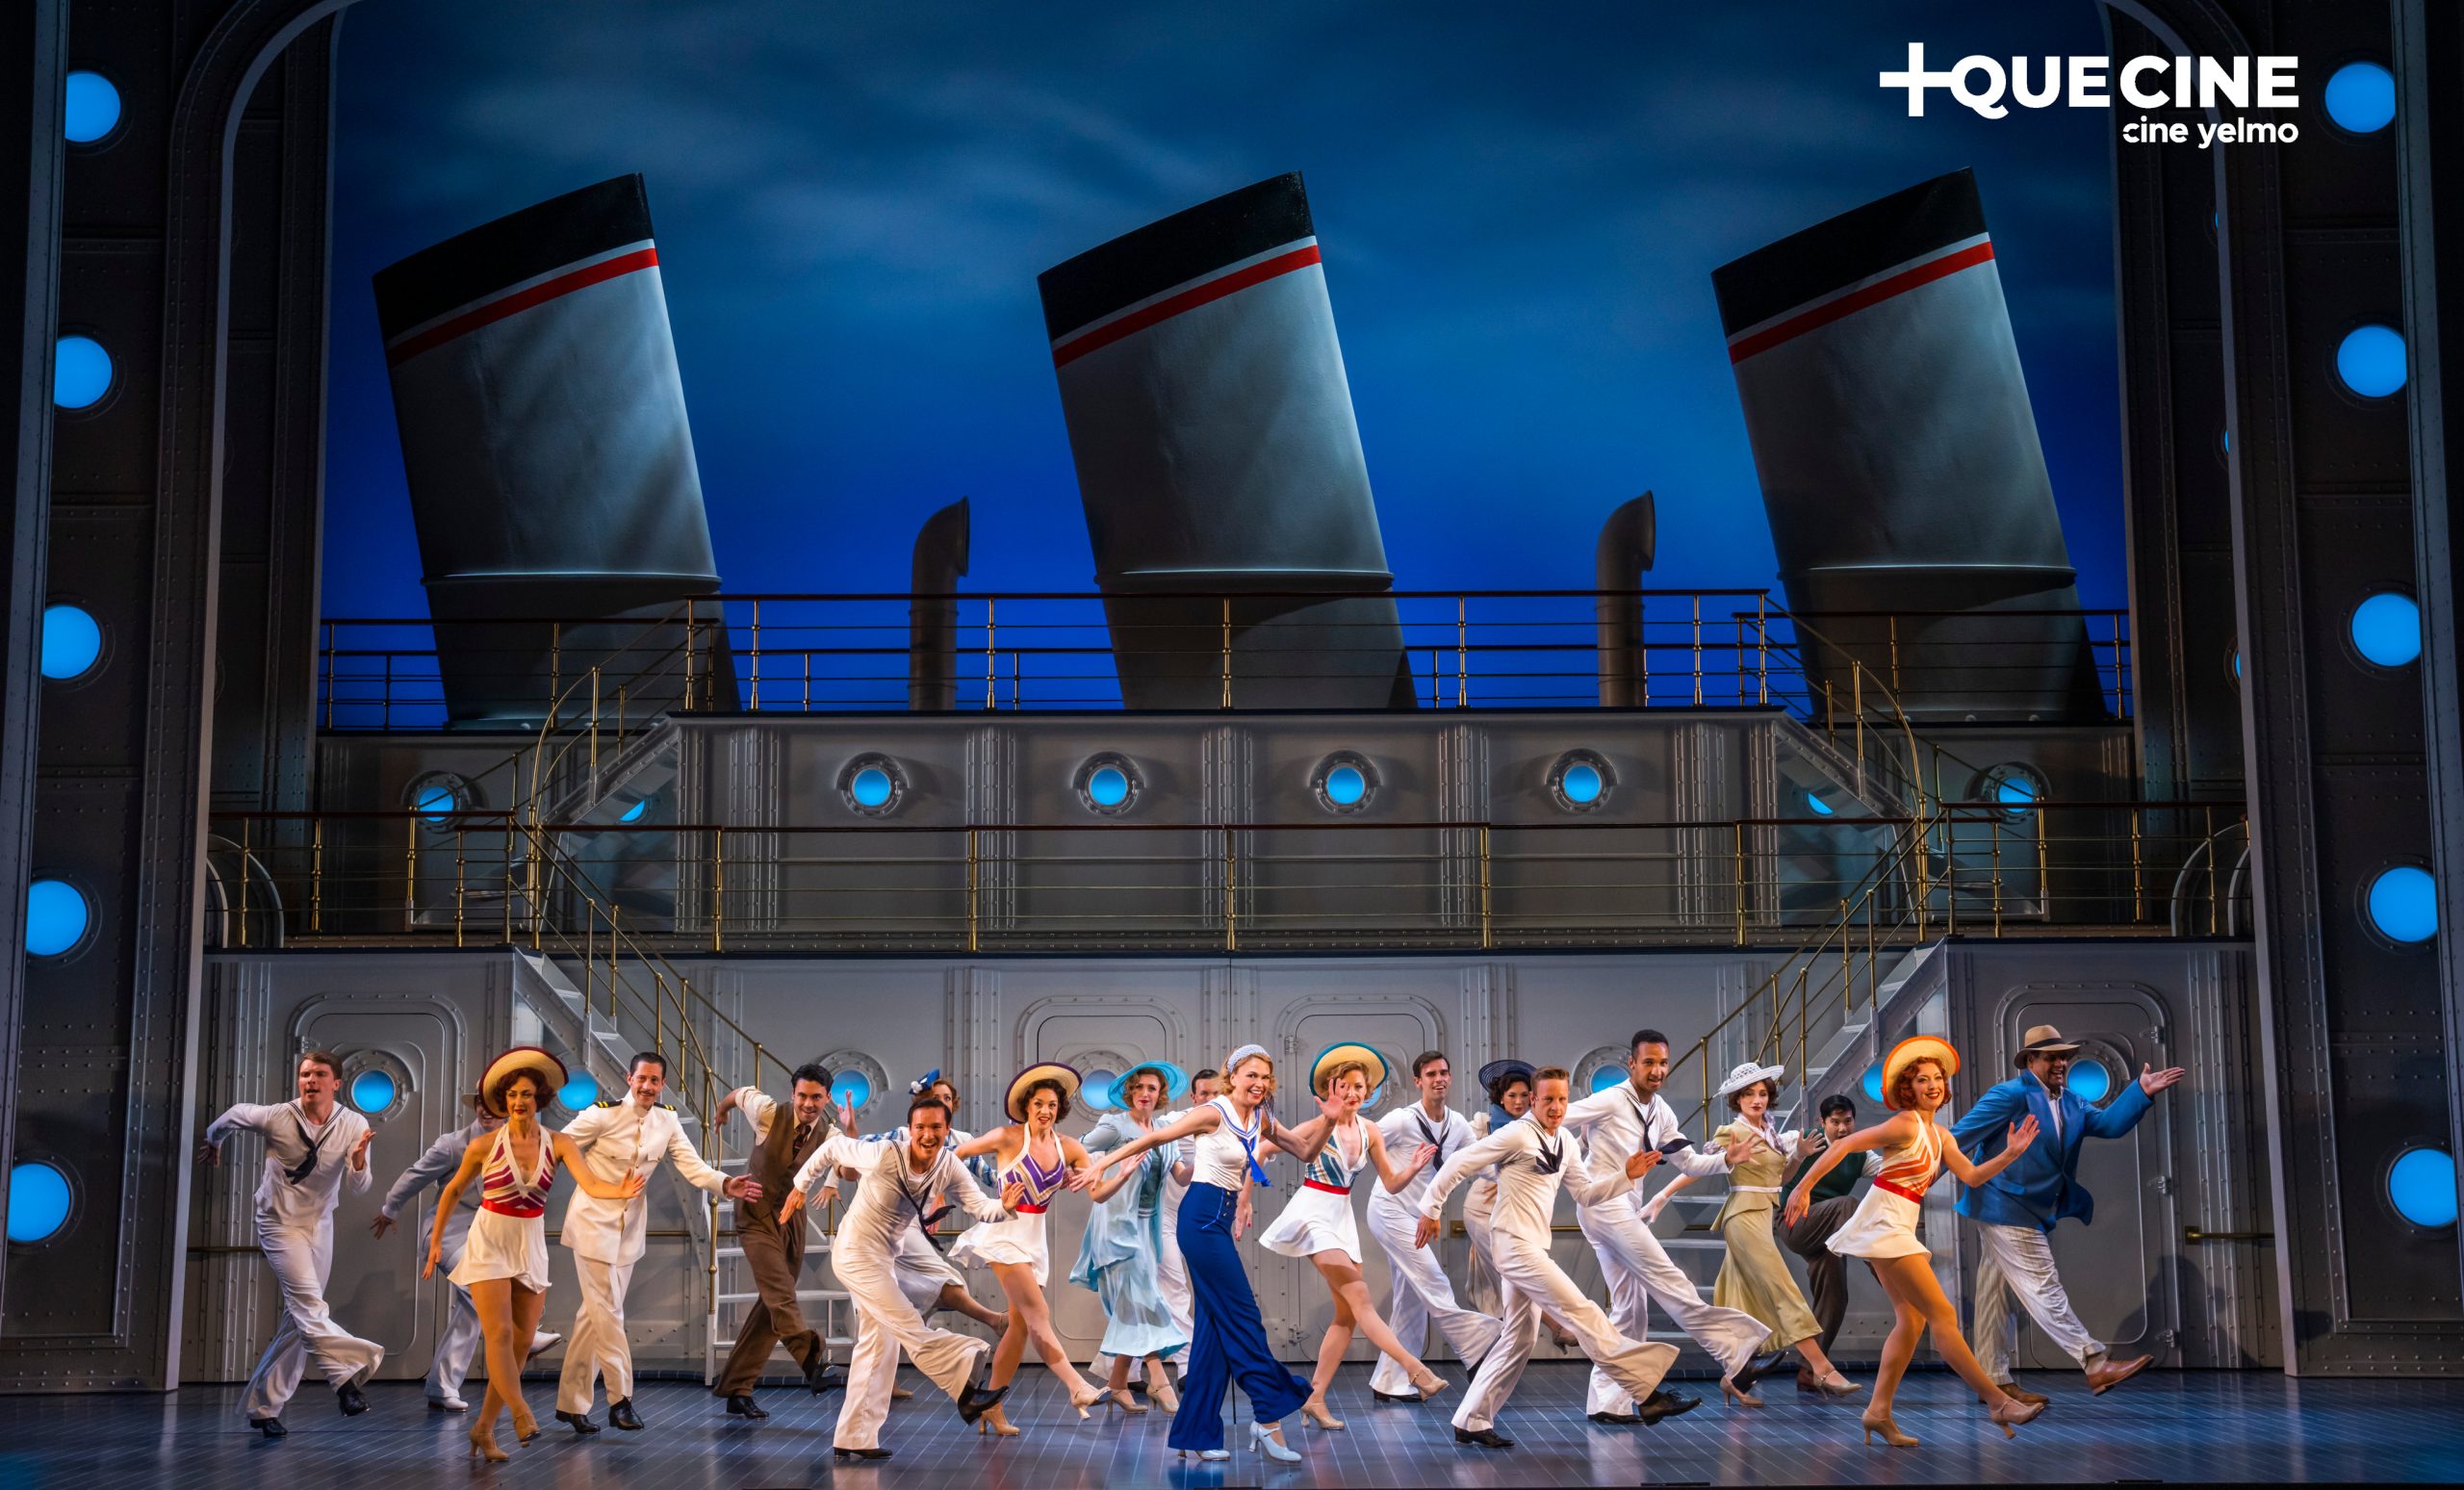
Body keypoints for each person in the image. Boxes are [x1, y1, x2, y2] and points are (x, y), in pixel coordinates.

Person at [1080, 1043, 1344, 1464]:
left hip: (1219, 1219)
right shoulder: (1213, 1112)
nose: (1259, 1083)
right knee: (1244, 1317)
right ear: (1232, 1077)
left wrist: (1329, 1120)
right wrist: (1101, 1163)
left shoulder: (1261, 1117)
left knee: (1213, 1333)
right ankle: (1269, 1416)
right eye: (1251, 1075)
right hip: (1200, 1219)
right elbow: (1156, 1137)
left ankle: (1195, 1432)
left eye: (1265, 1077)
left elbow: (1306, 1152)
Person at [1784, 1036, 2045, 1451]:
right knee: (1942, 1314)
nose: (1932, 1085)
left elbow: (1972, 1176)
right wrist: (1803, 1187)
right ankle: (1998, 1402)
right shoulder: (1905, 1124)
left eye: (1937, 1078)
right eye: (1922, 1079)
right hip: (1885, 1222)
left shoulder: (1940, 1135)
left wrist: (2011, 1153)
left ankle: (1878, 1412)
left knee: (1913, 1320)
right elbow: (1846, 1144)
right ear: (1909, 1088)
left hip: (1898, 1223)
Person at [1413, 1066, 1681, 1451]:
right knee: (1582, 1311)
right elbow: (1459, 1164)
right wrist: (1431, 1209)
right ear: (1534, 1101)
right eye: (1548, 1099)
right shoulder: (1517, 1133)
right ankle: (1647, 1392)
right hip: (1513, 1244)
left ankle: (1471, 1420)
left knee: (1518, 1338)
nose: (1556, 1107)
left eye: (1562, 1100)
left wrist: (1625, 1176)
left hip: (1533, 1246)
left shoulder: (1567, 1142)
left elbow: (1586, 1194)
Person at [424, 1048, 645, 1462]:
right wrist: (436, 1242)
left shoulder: (559, 1143)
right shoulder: (484, 1145)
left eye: (526, 1094)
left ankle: (483, 1429)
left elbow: (591, 1183)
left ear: (538, 1098)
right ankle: (521, 1412)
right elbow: (452, 1191)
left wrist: (619, 1191)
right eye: (511, 1095)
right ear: (503, 1100)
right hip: (490, 1239)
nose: (518, 1101)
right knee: (499, 1335)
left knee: (523, 1342)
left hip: (530, 1242)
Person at [784, 1090, 1022, 1461]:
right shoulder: (884, 1153)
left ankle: (855, 1437)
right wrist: (801, 1186)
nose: (928, 1135)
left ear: (947, 1130)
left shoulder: (948, 1165)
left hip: (886, 1259)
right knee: (908, 1325)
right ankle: (964, 1389)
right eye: (920, 1128)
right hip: (855, 1253)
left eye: (936, 1128)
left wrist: (1003, 1206)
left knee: (879, 1345)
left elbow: (979, 1206)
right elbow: (832, 1149)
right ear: (910, 1130)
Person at [1953, 1025, 2181, 1402]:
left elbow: (2108, 1125)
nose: (2061, 1063)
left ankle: (1993, 1381)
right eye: (2051, 1057)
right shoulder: (2009, 1096)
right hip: (2004, 1204)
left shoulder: (2072, 1101)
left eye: (2064, 1057)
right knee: (2043, 1284)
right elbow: (1956, 1139)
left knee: (1998, 1292)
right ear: (2030, 1061)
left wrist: (2139, 1091)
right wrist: (1915, 1182)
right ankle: (2094, 1361)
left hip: (2033, 1207)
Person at [1561, 1029, 1779, 1416]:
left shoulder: (1660, 1111)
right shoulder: (1610, 1100)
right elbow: (1556, 1119)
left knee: (1630, 1311)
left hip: (1623, 1208)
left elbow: (1689, 1162)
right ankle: (1737, 1356)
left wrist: (1727, 1159)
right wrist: (1572, 1161)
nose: (1657, 1070)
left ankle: (1608, 1402)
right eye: (1649, 1062)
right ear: (1632, 1064)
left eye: (1662, 1063)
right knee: (1670, 1280)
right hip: (1604, 1205)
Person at [554, 1050, 767, 1433]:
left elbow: (691, 1165)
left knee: (594, 1315)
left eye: (655, 1080)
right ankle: (620, 1400)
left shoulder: (667, 1120)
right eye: (642, 1079)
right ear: (629, 1079)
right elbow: (558, 1146)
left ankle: (571, 1404)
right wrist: (590, 1181)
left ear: (663, 1084)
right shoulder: (600, 1115)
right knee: (609, 1312)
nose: (647, 1086)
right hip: (591, 1224)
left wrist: (725, 1184)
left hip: (628, 1232)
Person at [1255, 1044, 1450, 1429]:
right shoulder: (1318, 1125)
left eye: (1359, 1086)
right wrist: (1245, 1195)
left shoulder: (1370, 1130)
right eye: (1344, 1086)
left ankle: (1314, 1398)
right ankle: (1415, 1369)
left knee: (1346, 1315)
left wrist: (1412, 1168)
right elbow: (1264, 1145)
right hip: (1312, 1212)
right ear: (1331, 1088)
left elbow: (1391, 1183)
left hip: (1341, 1215)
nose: (1352, 1092)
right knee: (1360, 1296)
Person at [198, 1050, 387, 1438]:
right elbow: (231, 1116)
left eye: (319, 1074)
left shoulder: (353, 1123)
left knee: (300, 1318)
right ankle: (344, 1382)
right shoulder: (277, 1116)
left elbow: (360, 1188)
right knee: (308, 1307)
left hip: (320, 1225)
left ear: (336, 1083)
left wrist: (358, 1162)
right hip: (279, 1223)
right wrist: (213, 1141)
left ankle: (264, 1408)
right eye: (305, 1074)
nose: (310, 1080)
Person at [1645, 1063, 1860, 1395]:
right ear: (1737, 1099)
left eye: (1762, 1093)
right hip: (1743, 1216)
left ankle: (1733, 1378)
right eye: (1748, 1094)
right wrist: (1662, 1195)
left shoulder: (1770, 1133)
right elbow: (1697, 1168)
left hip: (1763, 1214)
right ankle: (1821, 1368)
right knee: (1782, 1288)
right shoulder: (1733, 1132)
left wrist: (1798, 1156)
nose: (1757, 1100)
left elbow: (1780, 1180)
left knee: (1737, 1297)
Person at [372, 1096, 563, 1411]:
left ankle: (441, 1386)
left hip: (488, 1239)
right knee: (482, 1291)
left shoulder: (518, 1145)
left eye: (492, 1105)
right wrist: (389, 1209)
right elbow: (415, 1175)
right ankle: (525, 1336)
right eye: (480, 1104)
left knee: (473, 1309)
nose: (486, 1110)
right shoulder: (453, 1145)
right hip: (448, 1236)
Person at [949, 1064, 1106, 1434]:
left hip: (1034, 1239)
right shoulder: (1007, 1137)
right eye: (1038, 1104)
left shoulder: (1068, 1146)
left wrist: (1104, 1173)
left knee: (1019, 1328)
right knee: (1038, 1314)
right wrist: (950, 1194)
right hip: (1004, 1235)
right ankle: (1077, 1387)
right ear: (1026, 1106)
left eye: (1052, 1104)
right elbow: (954, 1155)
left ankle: (991, 1407)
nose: (1045, 1111)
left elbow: (1097, 1189)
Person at [1363, 1050, 1501, 1405]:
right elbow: (1365, 1142)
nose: (1439, 1079)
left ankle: (1390, 1381)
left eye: (1443, 1073)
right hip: (1389, 1209)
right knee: (1434, 1280)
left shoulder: (1458, 1125)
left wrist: (1515, 1175)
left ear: (1450, 1078)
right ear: (1418, 1081)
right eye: (1431, 1074)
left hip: (1418, 1216)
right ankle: (1478, 1346)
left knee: (1411, 1298)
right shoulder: (1402, 1120)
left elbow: (1481, 1165)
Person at [710, 1062, 840, 1418]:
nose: (808, 1104)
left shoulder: (829, 1133)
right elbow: (740, 1094)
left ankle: (737, 1388)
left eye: (816, 1098)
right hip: (755, 1210)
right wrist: (722, 1110)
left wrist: (832, 1182)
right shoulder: (767, 1111)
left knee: (772, 1305)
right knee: (779, 1291)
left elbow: (843, 1161)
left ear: (827, 1098)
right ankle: (811, 1359)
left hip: (792, 1217)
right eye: (803, 1096)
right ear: (793, 1094)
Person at [1073, 1061, 1191, 1416]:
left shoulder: (1164, 1130)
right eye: (1138, 1087)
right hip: (1116, 1227)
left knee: (1132, 1305)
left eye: (1151, 1088)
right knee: (1145, 1299)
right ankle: (1159, 1380)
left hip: (1147, 1228)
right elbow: (1079, 1150)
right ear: (1129, 1092)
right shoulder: (1114, 1125)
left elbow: (1181, 1176)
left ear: (1160, 1094)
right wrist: (1103, 1174)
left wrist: (1217, 1160)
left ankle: (1117, 1385)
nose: (1144, 1093)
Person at [1462, 1061, 1588, 1361]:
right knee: (1517, 1272)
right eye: (1511, 1096)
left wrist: (1584, 1138)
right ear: (1500, 1097)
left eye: (1523, 1095)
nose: (1518, 1101)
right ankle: (1556, 1325)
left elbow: (1556, 1160)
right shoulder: (1485, 1125)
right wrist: (1498, 1174)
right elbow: (1465, 1158)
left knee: (1513, 1281)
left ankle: (1497, 1349)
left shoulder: (1539, 1129)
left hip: (1516, 1212)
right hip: (1483, 1208)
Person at [1776, 1093, 1884, 1387]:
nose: (1842, 1128)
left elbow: (1889, 1172)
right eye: (1835, 1122)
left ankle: (1809, 1371)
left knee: (1835, 1296)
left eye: (1847, 1121)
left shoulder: (1861, 1154)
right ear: (1822, 1122)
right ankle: (1878, 1262)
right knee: (1847, 1204)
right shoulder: (1802, 1140)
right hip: (1793, 1223)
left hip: (1830, 1232)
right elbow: (1768, 1155)